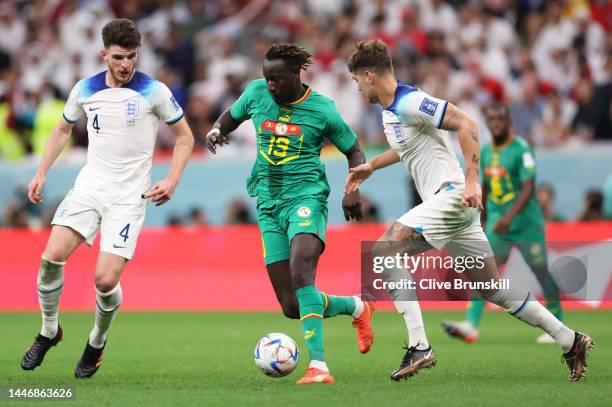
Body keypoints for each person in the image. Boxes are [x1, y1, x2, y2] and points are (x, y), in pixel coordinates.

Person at [345, 39, 593, 382]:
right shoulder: (392, 111)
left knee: (383, 252)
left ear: (369, 76)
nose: (356, 88)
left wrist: (473, 179)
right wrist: (372, 165)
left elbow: (467, 124)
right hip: (453, 207)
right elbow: (408, 148)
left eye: (356, 81)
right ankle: (570, 339)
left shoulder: (411, 101)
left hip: (451, 197)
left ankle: (419, 345)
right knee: (492, 288)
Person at [21, 19, 194, 378]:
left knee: (104, 281)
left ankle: (97, 341)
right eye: (118, 57)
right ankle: (49, 331)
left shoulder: (154, 91)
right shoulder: (85, 89)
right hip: (90, 187)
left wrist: (172, 180)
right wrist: (41, 173)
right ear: (104, 54)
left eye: (132, 56)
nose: (126, 64)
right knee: (51, 257)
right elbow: (62, 129)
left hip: (129, 197)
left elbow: (185, 138)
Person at [205, 43, 373, 385]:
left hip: (306, 198)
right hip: (267, 205)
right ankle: (357, 307)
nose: (270, 86)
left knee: (301, 273)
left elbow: (353, 149)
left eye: (276, 80)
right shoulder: (256, 93)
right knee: (291, 305)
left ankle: (319, 367)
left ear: (296, 75)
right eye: (266, 79)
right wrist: (217, 131)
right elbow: (232, 117)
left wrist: (353, 189)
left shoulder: (322, 109)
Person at [441, 103, 563, 344]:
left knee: (541, 271)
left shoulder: (522, 149)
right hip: (498, 223)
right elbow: (484, 186)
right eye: (491, 118)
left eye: (500, 118)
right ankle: (471, 325)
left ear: (509, 122)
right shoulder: (486, 151)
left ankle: (557, 321)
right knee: (483, 271)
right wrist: (482, 217)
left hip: (527, 224)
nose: (495, 122)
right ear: (487, 123)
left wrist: (510, 217)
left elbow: (528, 187)